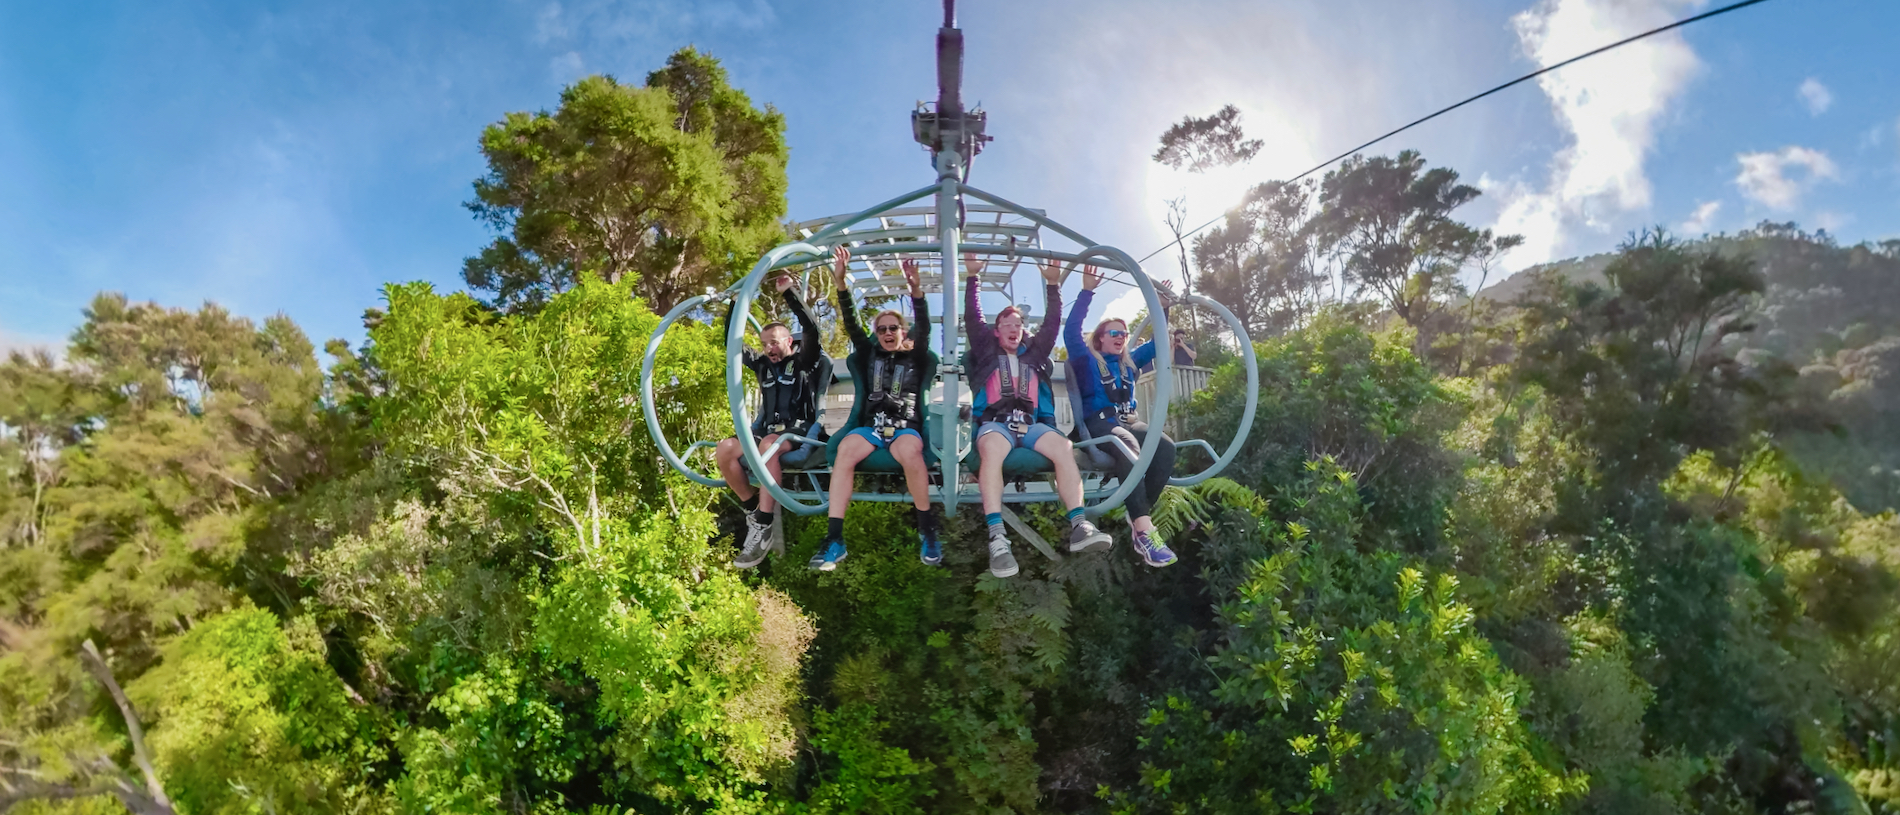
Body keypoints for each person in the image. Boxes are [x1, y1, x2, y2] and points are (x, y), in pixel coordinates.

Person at [963, 253, 1111, 578]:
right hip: (996, 424)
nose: (1015, 328)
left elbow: (1052, 325)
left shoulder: (1034, 355)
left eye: (1019, 324)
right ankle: (997, 536)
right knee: (991, 451)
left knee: (1063, 448)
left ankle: (1079, 524)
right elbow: (973, 319)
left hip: (1028, 424)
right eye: (1008, 325)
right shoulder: (987, 352)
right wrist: (972, 278)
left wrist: (1053, 285)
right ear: (997, 331)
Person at [812, 246, 941, 571]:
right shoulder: (870, 354)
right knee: (845, 451)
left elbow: (924, 327)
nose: (886, 333)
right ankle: (835, 539)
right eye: (881, 329)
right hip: (871, 427)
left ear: (902, 332)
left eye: (892, 328)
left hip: (904, 426)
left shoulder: (917, 355)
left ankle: (927, 530)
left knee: (911, 452)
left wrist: (915, 291)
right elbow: (853, 325)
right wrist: (841, 284)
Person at [1065, 266, 1181, 567]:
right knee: (1127, 444)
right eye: (1114, 333)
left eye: (1124, 333)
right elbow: (1071, 331)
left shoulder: (1129, 362)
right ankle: (1145, 530)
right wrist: (1087, 291)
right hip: (1099, 424)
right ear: (1100, 338)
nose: (1121, 337)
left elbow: (1158, 346)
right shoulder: (1086, 359)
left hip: (1127, 421)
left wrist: (1161, 309)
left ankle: (1138, 515)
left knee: (1166, 447)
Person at [716, 271, 827, 569]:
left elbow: (812, 329)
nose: (770, 349)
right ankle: (753, 509)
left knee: (768, 444)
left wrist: (789, 293)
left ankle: (764, 524)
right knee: (725, 448)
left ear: (788, 341)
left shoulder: (804, 361)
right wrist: (736, 306)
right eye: (766, 344)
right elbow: (732, 344)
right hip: (768, 434)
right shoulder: (763, 366)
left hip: (799, 432)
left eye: (775, 343)